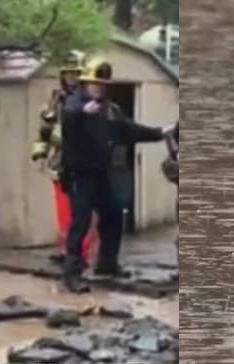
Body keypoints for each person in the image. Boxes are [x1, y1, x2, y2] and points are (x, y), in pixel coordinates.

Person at [59, 58, 172, 293]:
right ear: (85, 83)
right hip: (79, 174)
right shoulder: (75, 103)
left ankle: (107, 264)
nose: (99, 88)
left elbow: (130, 130)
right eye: (95, 84)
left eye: (103, 85)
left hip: (101, 173)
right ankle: (72, 273)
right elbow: (68, 118)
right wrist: (82, 112)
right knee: (80, 223)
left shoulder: (110, 109)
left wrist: (160, 132)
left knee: (113, 215)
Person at [33, 52, 99, 266]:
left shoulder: (89, 99)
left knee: (82, 213)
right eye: (67, 73)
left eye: (75, 73)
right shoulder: (56, 98)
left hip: (82, 164)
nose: (71, 78)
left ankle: (83, 254)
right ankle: (67, 250)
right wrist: (41, 154)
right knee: (63, 214)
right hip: (60, 164)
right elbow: (45, 128)